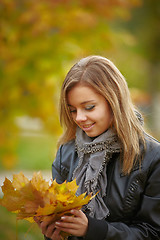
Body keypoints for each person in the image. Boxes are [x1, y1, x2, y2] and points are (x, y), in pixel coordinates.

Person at [37, 56, 160, 240]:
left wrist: (93, 229)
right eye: (72, 110)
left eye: (89, 107)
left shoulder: (152, 157)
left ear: (115, 101)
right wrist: (54, 233)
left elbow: (152, 233)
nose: (79, 118)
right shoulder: (66, 153)